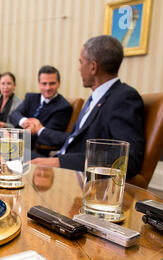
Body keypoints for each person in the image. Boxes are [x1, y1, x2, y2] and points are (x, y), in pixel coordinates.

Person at [31, 35, 145, 179]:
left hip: (75, 175)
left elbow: (127, 159)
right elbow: (76, 140)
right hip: (63, 160)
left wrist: (59, 162)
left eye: (81, 62)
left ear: (93, 67)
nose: (79, 69)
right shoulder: (96, 98)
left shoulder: (123, 97)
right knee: (8, 151)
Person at [9, 65, 72, 145]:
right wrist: (25, 122)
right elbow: (14, 114)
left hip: (32, 148)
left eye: (52, 83)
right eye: (44, 83)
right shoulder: (30, 97)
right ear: (39, 84)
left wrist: (19, 135)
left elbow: (46, 135)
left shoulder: (63, 107)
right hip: (16, 141)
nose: (47, 88)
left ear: (59, 84)